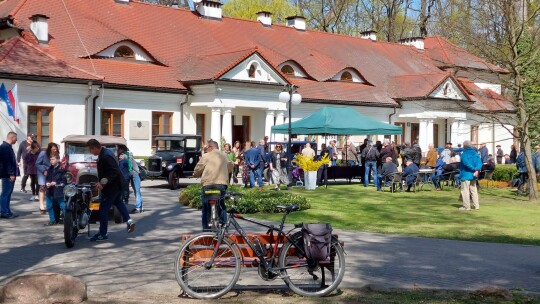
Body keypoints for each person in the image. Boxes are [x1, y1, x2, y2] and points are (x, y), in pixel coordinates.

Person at [87, 139, 135, 241]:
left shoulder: (106, 156)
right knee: (119, 203)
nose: (91, 152)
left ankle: (103, 234)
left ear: (95, 148)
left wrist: (102, 183)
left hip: (112, 187)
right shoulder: (105, 152)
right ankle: (129, 221)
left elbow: (114, 172)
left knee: (103, 210)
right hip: (117, 186)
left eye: (91, 150)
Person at [193, 140, 233, 231]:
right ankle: (223, 227)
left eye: (207, 148)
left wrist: (195, 174)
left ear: (211, 147)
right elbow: (231, 167)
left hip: (208, 185)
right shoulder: (225, 155)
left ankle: (206, 229)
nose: (206, 149)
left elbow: (198, 168)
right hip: (221, 185)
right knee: (221, 204)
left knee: (206, 207)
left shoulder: (206, 156)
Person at [118, 145, 144, 214]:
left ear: (122, 149)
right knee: (137, 191)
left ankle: (138, 208)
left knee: (137, 191)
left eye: (119, 149)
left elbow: (123, 163)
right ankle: (140, 207)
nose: (118, 151)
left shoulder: (125, 155)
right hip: (133, 175)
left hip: (135, 175)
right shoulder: (129, 155)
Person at [459, 140, 482, 210]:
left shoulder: (464, 154)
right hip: (474, 175)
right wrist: (477, 170)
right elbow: (479, 162)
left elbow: (466, 163)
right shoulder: (475, 153)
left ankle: (466, 206)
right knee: (474, 190)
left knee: (465, 190)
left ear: (464, 146)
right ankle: (476, 206)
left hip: (466, 174)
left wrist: (474, 169)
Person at [36, 143, 59, 214]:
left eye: (56, 149)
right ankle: (41, 205)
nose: (54, 150)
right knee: (42, 187)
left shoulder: (56, 154)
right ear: (49, 149)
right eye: (53, 149)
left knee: (51, 187)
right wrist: (44, 170)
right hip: (43, 173)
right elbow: (37, 163)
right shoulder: (43, 153)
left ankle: (52, 206)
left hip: (52, 173)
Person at [0, 132, 19, 219]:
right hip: (7, 175)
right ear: (12, 137)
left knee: (8, 193)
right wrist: (11, 173)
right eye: (16, 138)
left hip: (8, 174)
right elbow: (7, 162)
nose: (17, 140)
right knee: (6, 193)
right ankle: (4, 211)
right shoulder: (5, 147)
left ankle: (7, 211)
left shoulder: (7, 147)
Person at [44, 154, 67, 226]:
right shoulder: (50, 169)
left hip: (58, 191)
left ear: (58, 160)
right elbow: (47, 178)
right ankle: (52, 220)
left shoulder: (62, 170)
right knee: (49, 206)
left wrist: (56, 183)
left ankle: (68, 220)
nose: (51, 161)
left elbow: (64, 181)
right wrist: (47, 183)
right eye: (50, 159)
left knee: (63, 206)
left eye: (53, 159)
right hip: (50, 190)